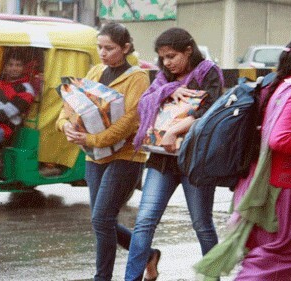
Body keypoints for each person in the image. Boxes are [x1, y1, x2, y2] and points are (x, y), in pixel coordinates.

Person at [194, 38, 291, 281]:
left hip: (253, 179)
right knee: (284, 249)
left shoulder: (270, 85)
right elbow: (279, 139)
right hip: (276, 185)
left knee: (261, 250)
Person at [55, 22, 158, 281]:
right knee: (102, 220)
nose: (102, 53)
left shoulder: (138, 77)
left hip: (125, 155)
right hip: (94, 156)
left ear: (125, 48)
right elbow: (72, 104)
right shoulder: (96, 71)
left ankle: (102, 277)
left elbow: (130, 121)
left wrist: (94, 138)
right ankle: (148, 255)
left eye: (109, 48)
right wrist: (65, 125)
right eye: (99, 47)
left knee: (102, 218)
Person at [125, 27, 224, 281]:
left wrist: (176, 130)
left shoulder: (208, 73)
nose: (167, 63)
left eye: (172, 56)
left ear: (188, 50)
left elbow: (212, 110)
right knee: (145, 221)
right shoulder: (163, 78)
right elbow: (145, 103)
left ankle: (212, 277)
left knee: (202, 225)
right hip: (161, 160)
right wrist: (167, 91)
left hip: (195, 161)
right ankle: (132, 278)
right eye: (163, 58)